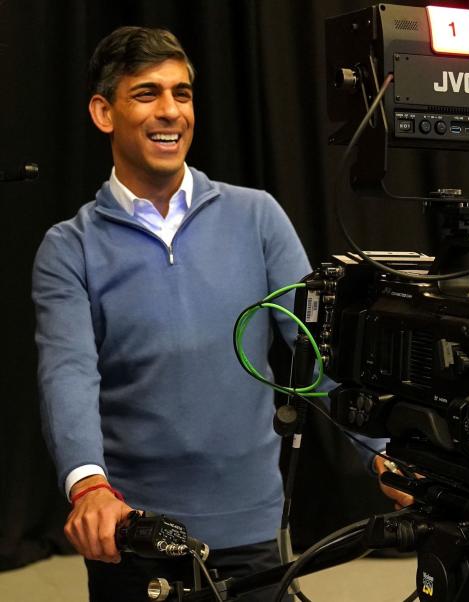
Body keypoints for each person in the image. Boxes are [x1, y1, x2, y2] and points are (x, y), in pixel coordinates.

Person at [32, 27, 311, 601]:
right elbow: (68, 373)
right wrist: (88, 487)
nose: (171, 112)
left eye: (182, 94)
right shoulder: (69, 246)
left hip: (251, 528)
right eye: (147, 94)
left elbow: (317, 347)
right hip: (135, 535)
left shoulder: (257, 216)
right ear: (103, 112)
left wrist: (382, 451)